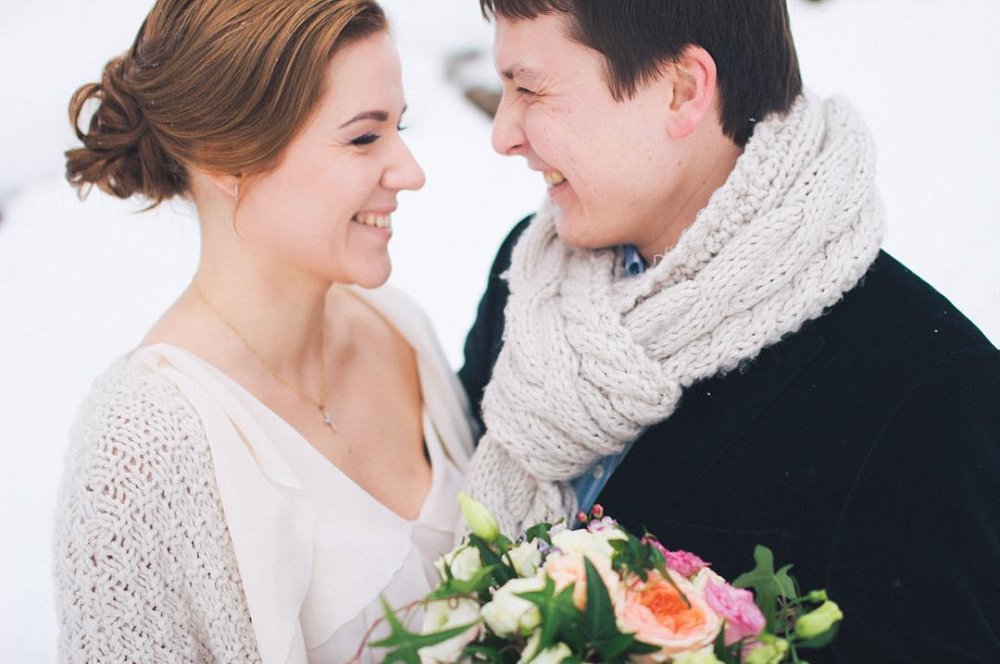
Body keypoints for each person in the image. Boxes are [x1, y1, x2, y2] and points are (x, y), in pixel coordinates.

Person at [459, 1, 1000, 661]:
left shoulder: (928, 389)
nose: (504, 135)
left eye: (530, 89)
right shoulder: (530, 279)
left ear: (682, 90)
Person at [53, 1, 475, 662]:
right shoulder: (136, 457)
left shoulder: (398, 327)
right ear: (226, 156)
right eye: (364, 138)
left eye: (400, 126)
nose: (411, 172)